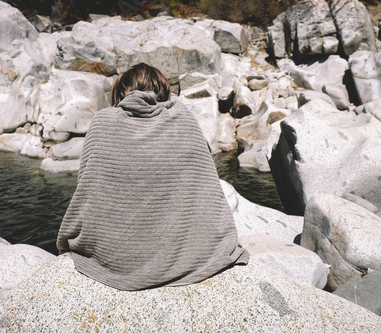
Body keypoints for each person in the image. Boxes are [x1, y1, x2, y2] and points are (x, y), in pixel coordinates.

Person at [57, 63, 249, 291]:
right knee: (225, 192)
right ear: (163, 92)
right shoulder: (183, 119)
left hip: (115, 261)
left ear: (120, 94)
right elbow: (205, 188)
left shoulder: (102, 121)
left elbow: (87, 195)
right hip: (189, 256)